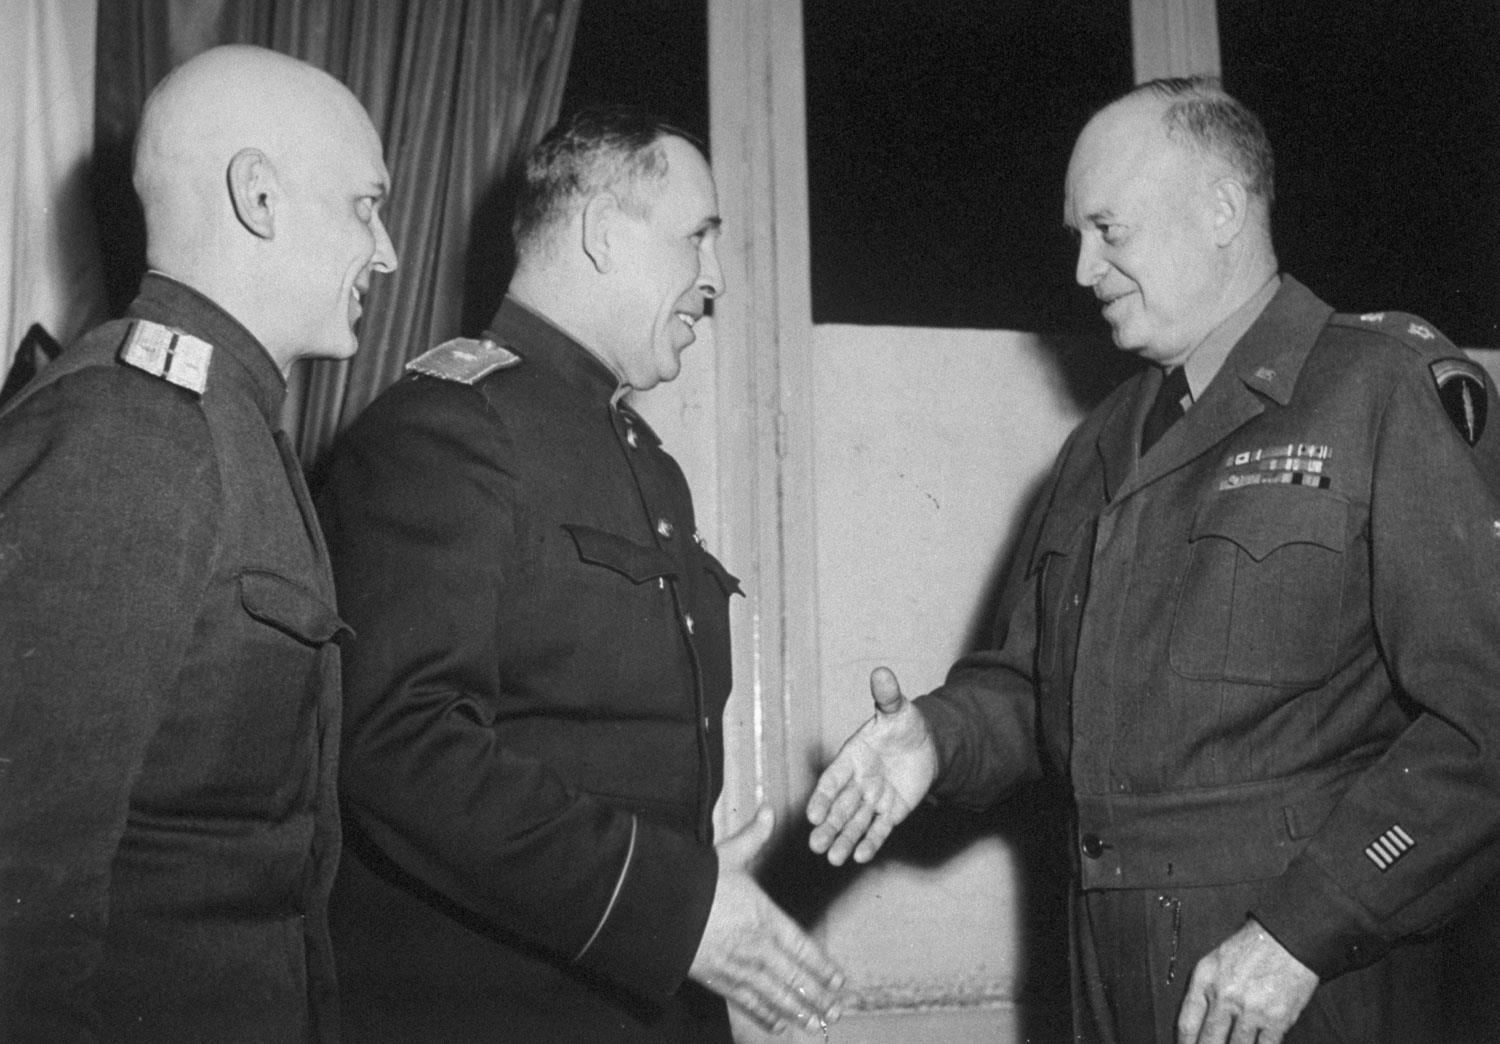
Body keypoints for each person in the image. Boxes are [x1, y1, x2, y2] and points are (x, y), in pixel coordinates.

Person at [806, 77, 1500, 1044]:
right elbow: (1036, 689)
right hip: (1109, 961)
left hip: (1305, 970)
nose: (1083, 268)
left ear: (1221, 210)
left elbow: (1483, 724)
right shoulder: (1101, 443)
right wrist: (937, 738)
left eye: (1108, 230)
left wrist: (1306, 931)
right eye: (1078, 237)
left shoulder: (1378, 390)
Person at [316, 108, 845, 1042]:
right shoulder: (447, 430)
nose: (715, 280)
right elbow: (399, 740)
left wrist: (690, 908)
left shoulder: (644, 458)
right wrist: (669, 908)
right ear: (603, 232)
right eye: (697, 238)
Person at [0, 44, 397, 1041]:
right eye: (365, 207)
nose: (387, 252)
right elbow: (22, 885)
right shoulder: (133, 432)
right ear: (259, 197)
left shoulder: (227, 423)